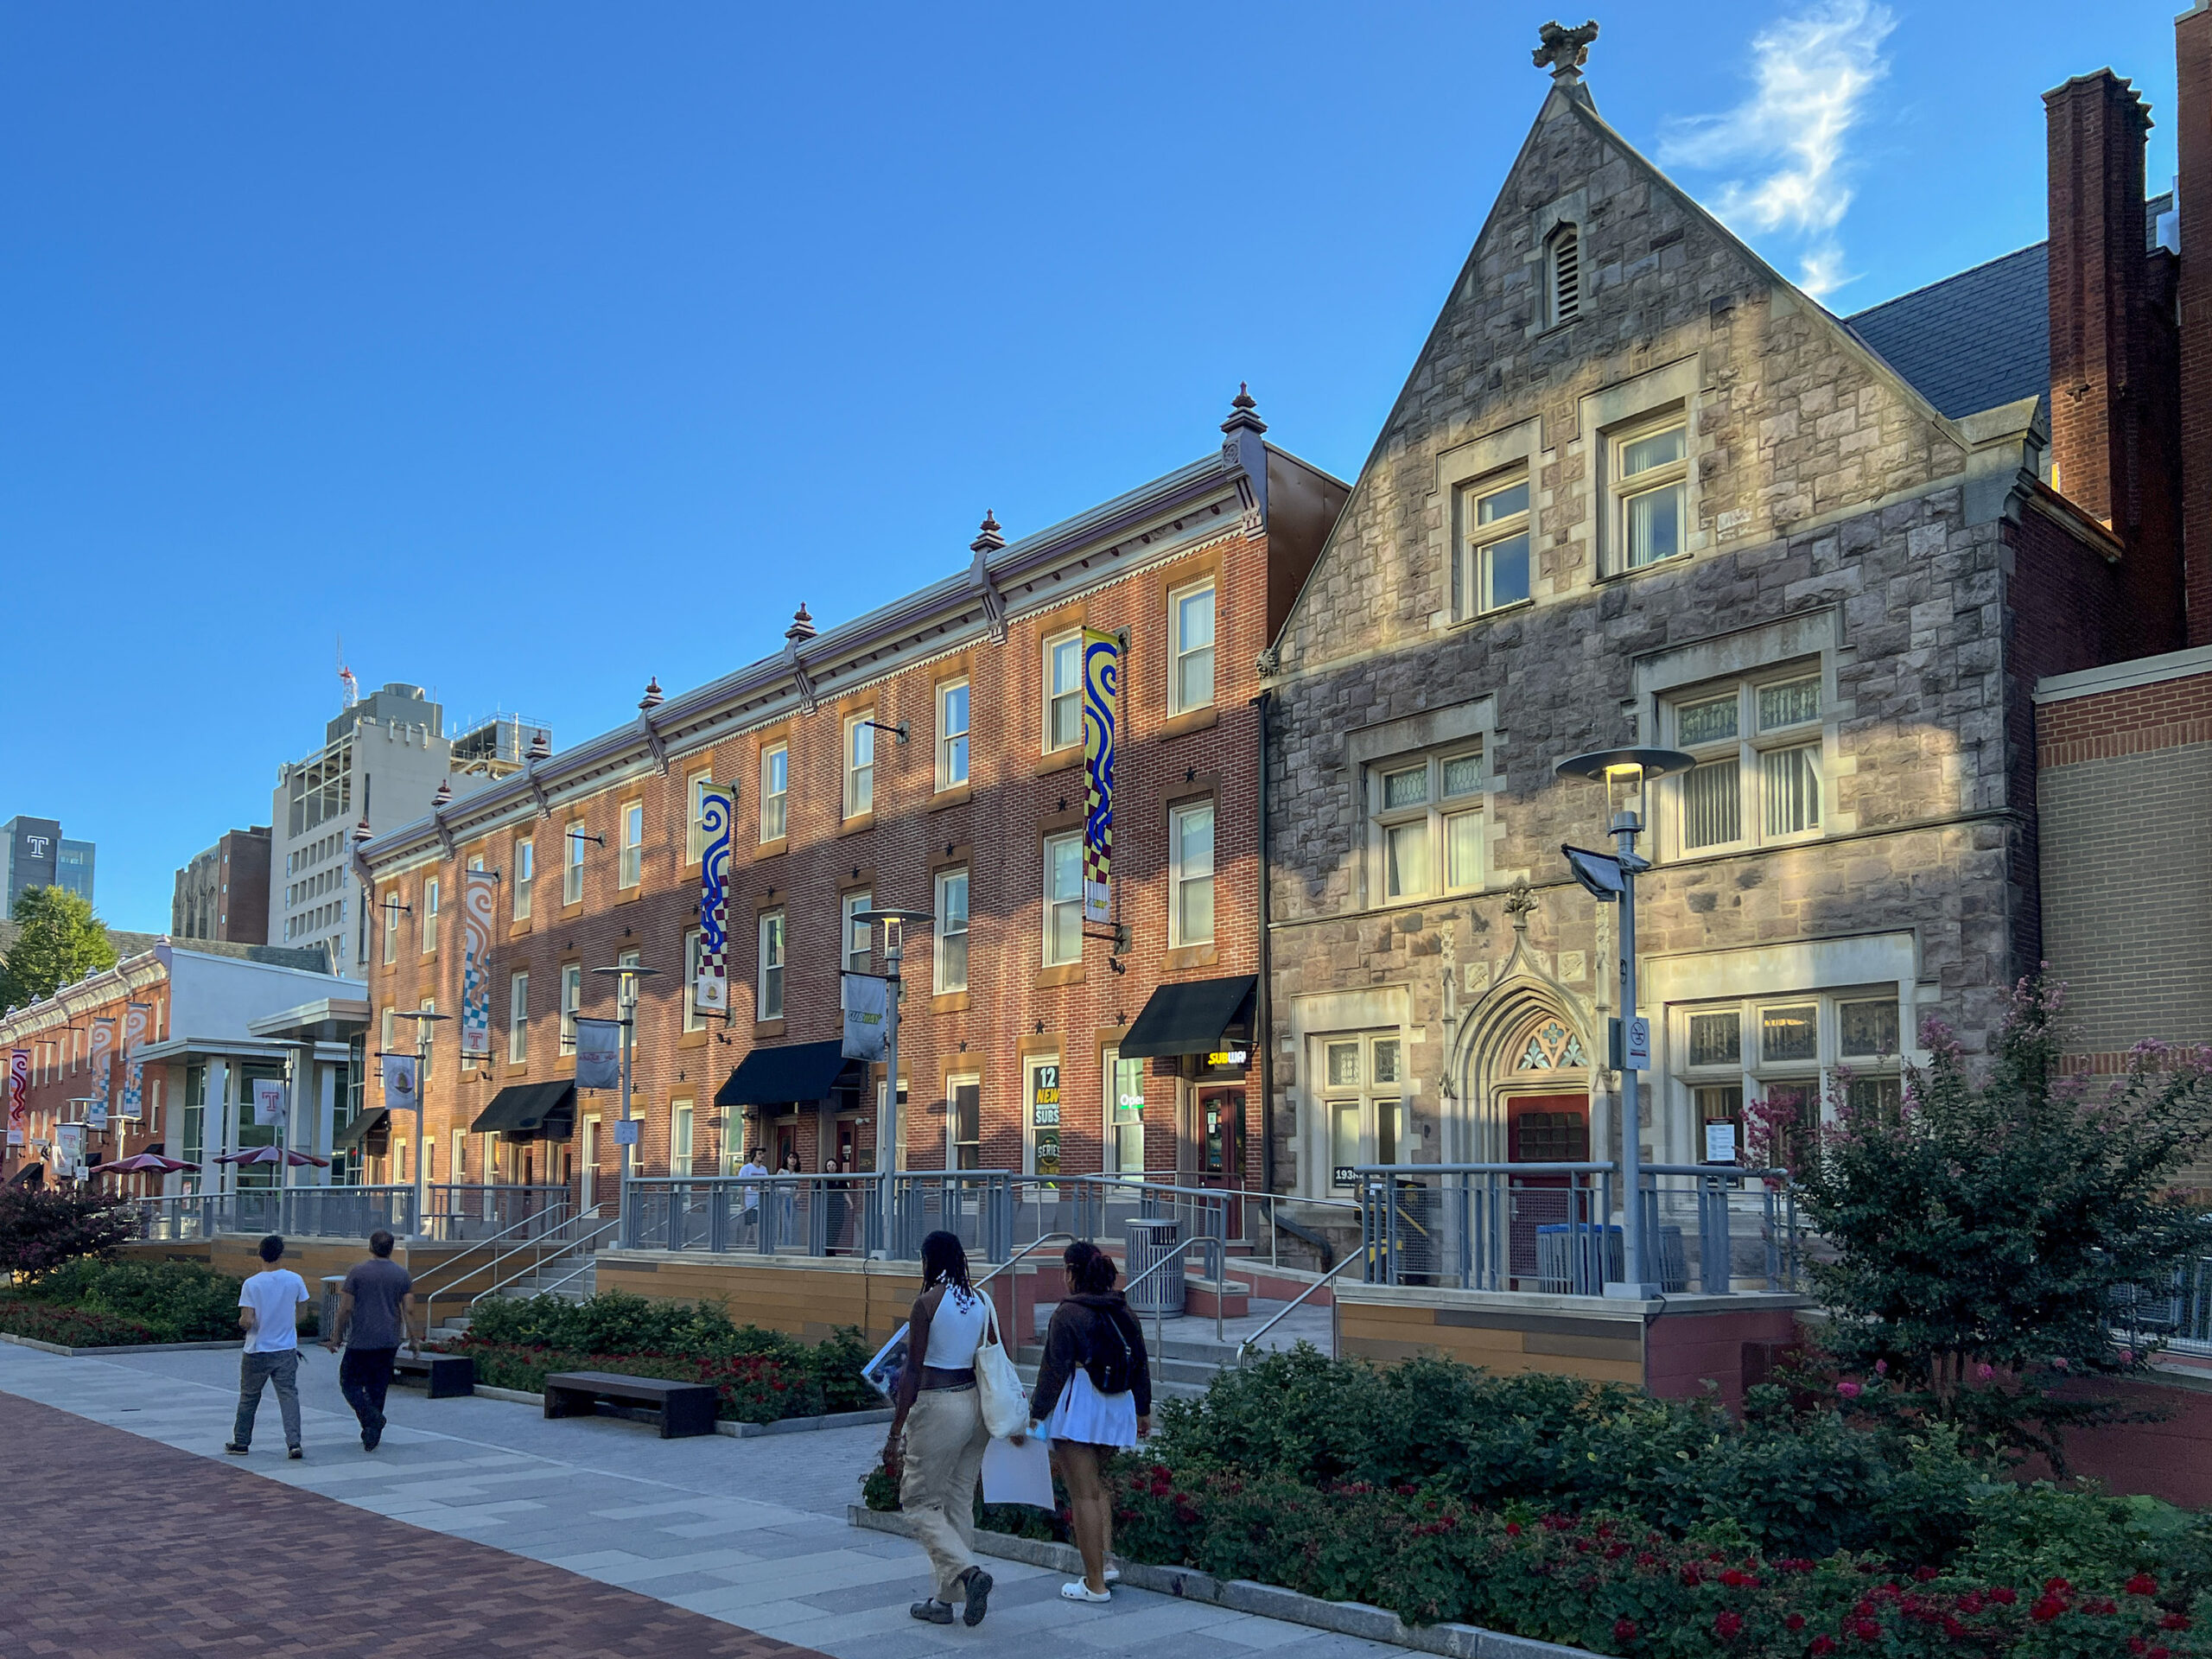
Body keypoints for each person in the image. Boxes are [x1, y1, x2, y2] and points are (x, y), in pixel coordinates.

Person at [883, 1230, 995, 1627]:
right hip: (976, 1407)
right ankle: (946, 1600)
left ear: (929, 1260)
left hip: (940, 1406)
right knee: (958, 1501)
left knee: (918, 1502)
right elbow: (994, 1355)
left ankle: (968, 1573)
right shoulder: (982, 1300)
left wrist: (896, 1429)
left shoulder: (927, 1303)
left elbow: (912, 1371)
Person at [1030, 1240, 1151, 1603]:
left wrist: (1034, 1417)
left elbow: (1053, 1371)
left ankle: (1094, 1584)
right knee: (1097, 1488)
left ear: (1070, 1272)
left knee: (1082, 1494)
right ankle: (1107, 1563)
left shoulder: (1068, 1313)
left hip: (1080, 1405)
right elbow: (1142, 1363)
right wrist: (1143, 1410)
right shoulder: (1124, 1309)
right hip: (1117, 1405)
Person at [324, 1229, 415, 1452]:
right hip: (388, 1340)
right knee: (378, 1387)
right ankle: (372, 1431)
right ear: (391, 1249)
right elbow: (409, 1310)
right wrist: (415, 1339)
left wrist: (336, 1336)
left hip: (361, 1339)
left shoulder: (357, 1273)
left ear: (370, 1247)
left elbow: (345, 1308)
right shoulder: (402, 1275)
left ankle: (372, 1419)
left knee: (349, 1383)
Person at [226, 1234, 310, 1459]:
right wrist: (288, 1325)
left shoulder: (252, 1284)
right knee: (288, 1395)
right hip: (286, 1349)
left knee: (249, 1397)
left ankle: (241, 1442)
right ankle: (294, 1442)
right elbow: (302, 1312)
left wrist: (241, 1323)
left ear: (259, 1254)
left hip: (257, 1349)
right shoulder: (295, 1280)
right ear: (281, 1255)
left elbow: (248, 1320)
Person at [737, 1147, 767, 1242]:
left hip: (760, 1203)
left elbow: (767, 1184)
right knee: (750, 1227)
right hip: (749, 1203)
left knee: (758, 1226)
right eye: (759, 1154)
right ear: (754, 1155)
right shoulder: (746, 1168)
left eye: (762, 1154)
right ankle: (745, 1246)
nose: (762, 1156)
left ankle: (758, 1246)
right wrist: (742, 1204)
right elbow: (741, 1187)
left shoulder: (764, 1169)